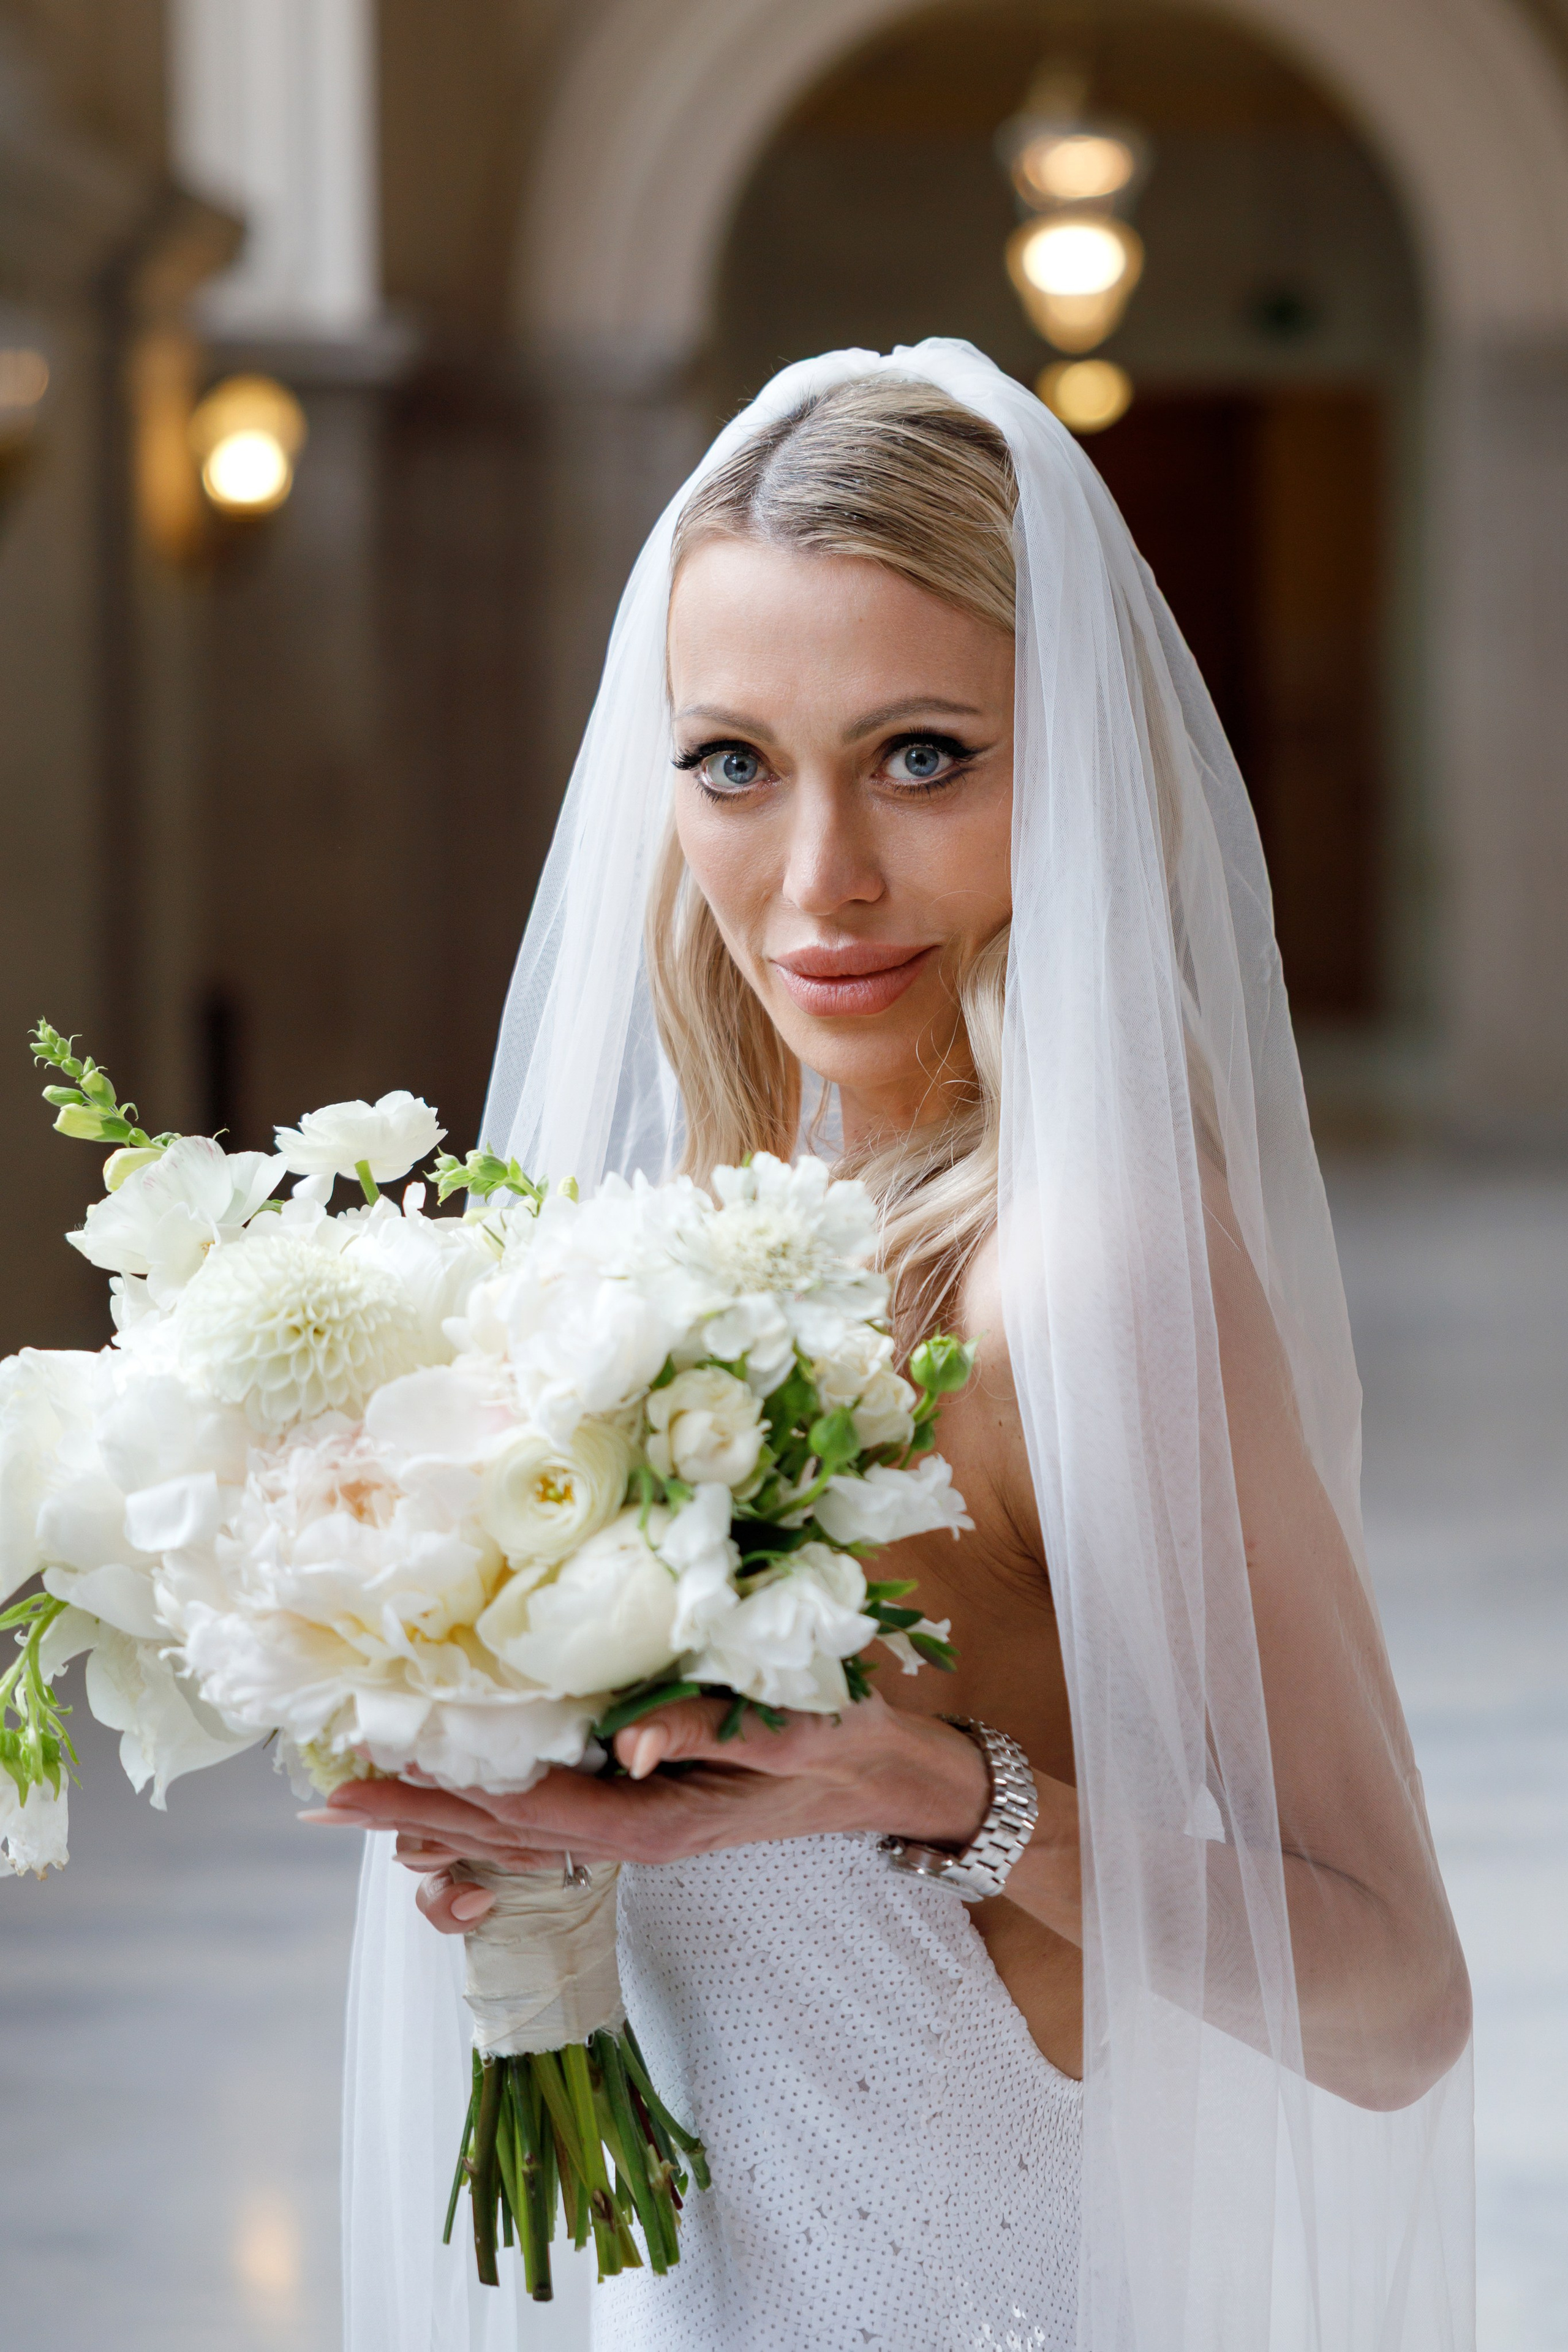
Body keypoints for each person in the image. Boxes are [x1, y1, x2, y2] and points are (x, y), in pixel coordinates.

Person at [323, 345, 1474, 2352]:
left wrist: (937, 1792)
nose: (818, 879)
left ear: (1082, 768)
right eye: (735, 762)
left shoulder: (1084, 1269)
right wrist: (542, 1833)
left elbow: (1395, 2006)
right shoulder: (696, 1255)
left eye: (925, 755)